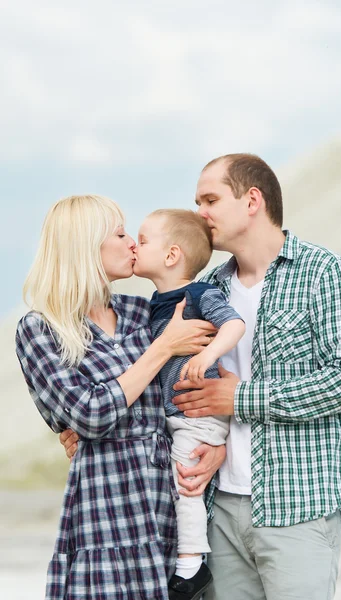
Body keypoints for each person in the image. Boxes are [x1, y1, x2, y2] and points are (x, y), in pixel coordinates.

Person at [171, 154, 341, 600]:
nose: (199, 213)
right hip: (219, 511)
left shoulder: (324, 273)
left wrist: (240, 399)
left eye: (210, 199)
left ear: (252, 200)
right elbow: (188, 384)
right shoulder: (209, 289)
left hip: (298, 506)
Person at [15, 194, 224, 600]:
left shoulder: (141, 310)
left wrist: (216, 442)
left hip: (167, 499)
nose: (133, 243)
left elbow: (194, 377)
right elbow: (89, 416)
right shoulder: (40, 329)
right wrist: (162, 348)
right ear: (86, 245)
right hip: (104, 508)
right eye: (121, 233)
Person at [132, 208, 245, 599]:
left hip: (198, 413)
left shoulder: (197, 294)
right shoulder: (153, 304)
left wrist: (206, 355)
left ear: (171, 255)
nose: (134, 244)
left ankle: (190, 567)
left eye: (143, 240)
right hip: (175, 415)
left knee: (186, 485)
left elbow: (233, 324)